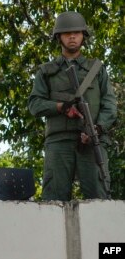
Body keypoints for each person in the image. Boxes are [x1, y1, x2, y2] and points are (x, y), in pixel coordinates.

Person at [28, 11, 117, 200]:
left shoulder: (97, 69)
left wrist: (98, 127)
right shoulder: (46, 71)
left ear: (83, 36)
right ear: (58, 37)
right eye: (67, 33)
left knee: (99, 200)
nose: (72, 36)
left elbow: (110, 104)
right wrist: (61, 107)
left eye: (77, 32)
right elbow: (35, 104)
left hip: (92, 140)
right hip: (59, 142)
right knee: (54, 201)